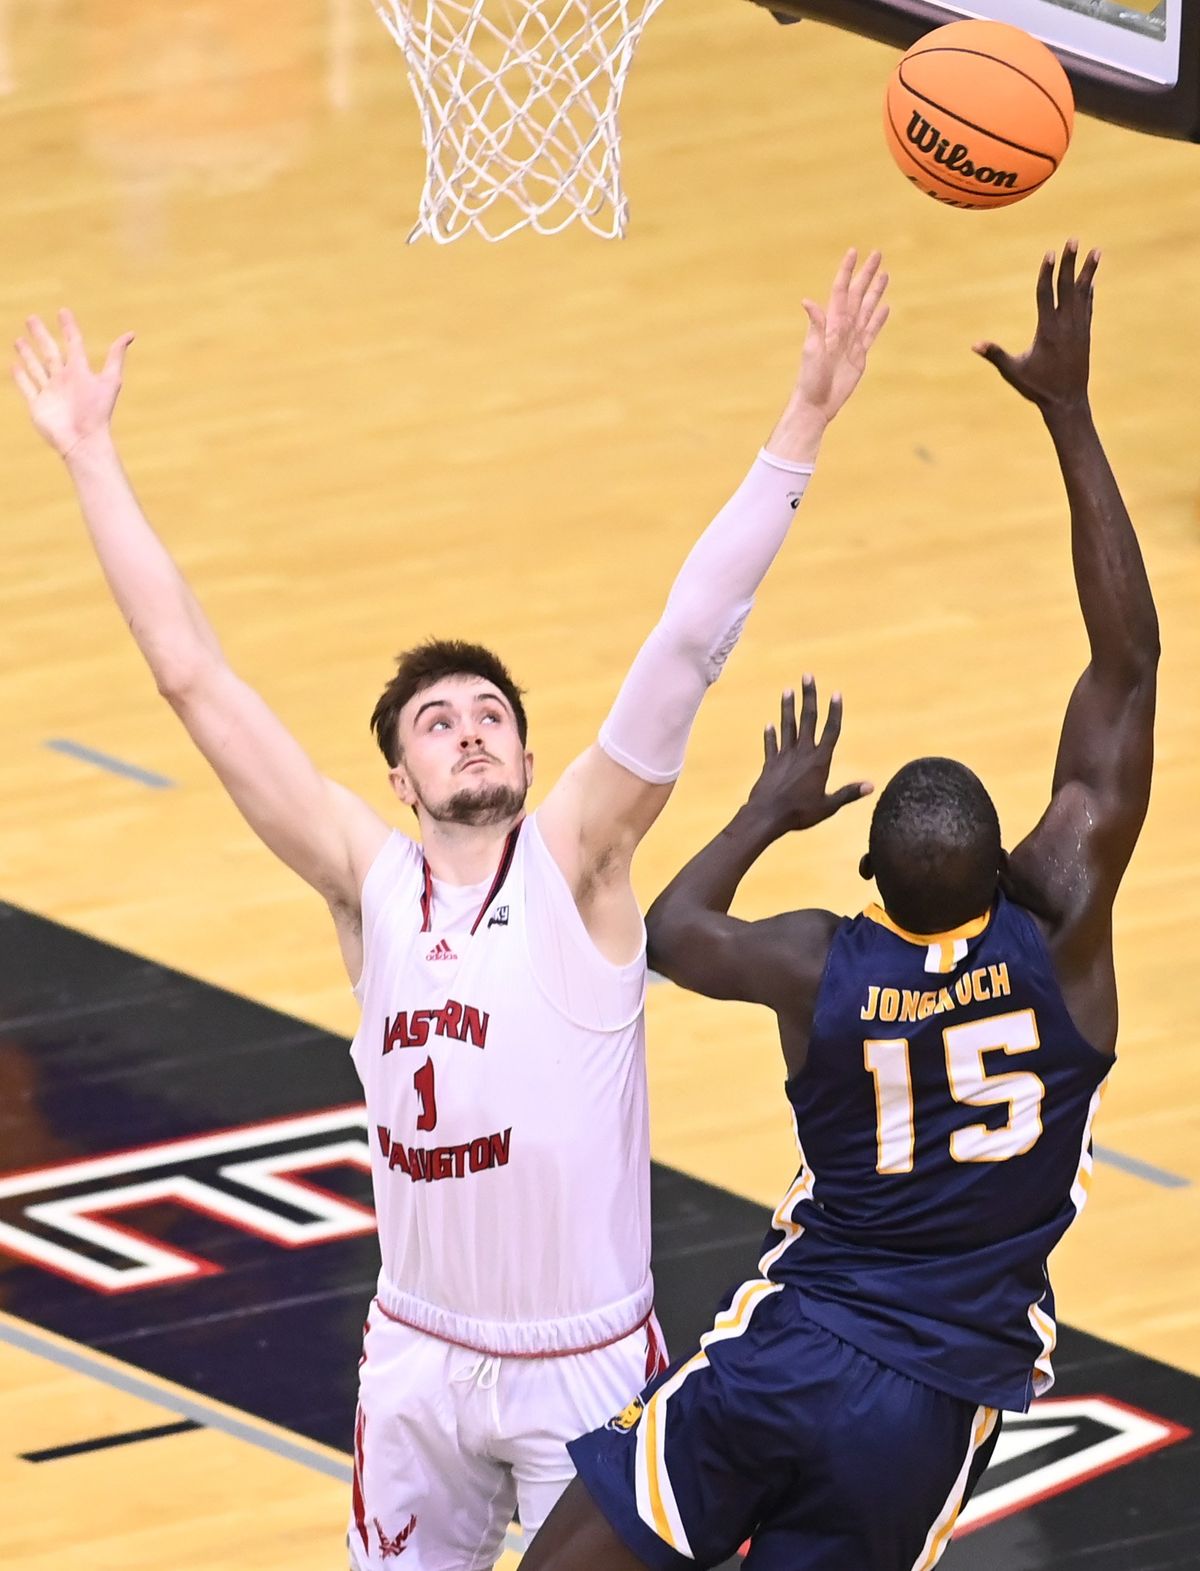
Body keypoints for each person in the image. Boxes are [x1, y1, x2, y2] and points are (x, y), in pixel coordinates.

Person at [11, 249, 889, 1570]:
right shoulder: (364, 884)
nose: (469, 731)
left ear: (532, 764)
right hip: (416, 1355)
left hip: (583, 1372)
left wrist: (803, 423)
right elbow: (192, 677)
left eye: (492, 716)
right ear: (399, 777)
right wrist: (90, 456)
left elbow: (685, 640)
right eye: (438, 721)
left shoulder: (580, 864)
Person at [522, 241, 1159, 1571]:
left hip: (795, 1347)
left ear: (869, 874)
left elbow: (676, 931)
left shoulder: (819, 966)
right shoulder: (1065, 933)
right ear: (1011, 863)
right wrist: (1070, 411)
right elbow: (1127, 666)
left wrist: (765, 809)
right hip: (931, 1406)